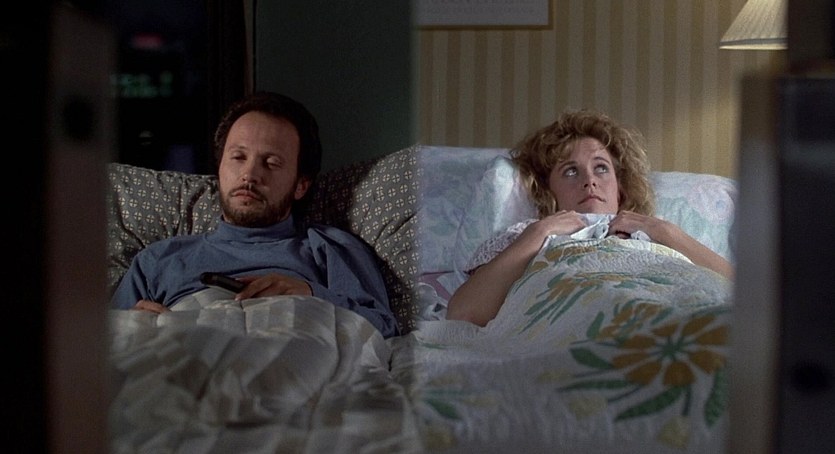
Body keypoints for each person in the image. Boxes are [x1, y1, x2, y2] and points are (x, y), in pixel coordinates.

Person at [110, 91, 399, 338]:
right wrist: (130, 323)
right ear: (220, 168)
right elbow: (102, 348)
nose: (249, 174)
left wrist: (310, 295)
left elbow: (384, 330)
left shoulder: (328, 248)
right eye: (238, 157)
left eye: (271, 163)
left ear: (300, 185)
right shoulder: (158, 260)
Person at [446, 109, 734, 327]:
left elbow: (745, 294)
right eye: (571, 171)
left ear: (620, 187)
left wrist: (666, 232)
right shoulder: (528, 234)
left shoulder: (657, 233)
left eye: (601, 168)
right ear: (548, 190)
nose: (589, 181)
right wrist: (538, 233)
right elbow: (464, 312)